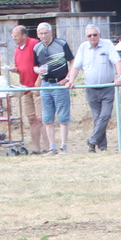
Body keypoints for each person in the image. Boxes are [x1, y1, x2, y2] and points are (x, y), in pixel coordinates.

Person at [67, 24, 121, 152]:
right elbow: (76, 66)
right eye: (89, 35)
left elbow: (117, 61)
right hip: (91, 89)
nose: (92, 37)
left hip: (107, 87)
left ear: (99, 35)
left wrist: (120, 77)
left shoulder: (107, 44)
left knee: (105, 115)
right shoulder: (83, 48)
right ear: (86, 37)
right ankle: (100, 146)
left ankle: (92, 140)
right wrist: (71, 80)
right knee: (97, 118)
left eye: (95, 35)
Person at [33, 21, 73, 154]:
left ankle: (63, 145)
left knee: (63, 116)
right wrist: (38, 70)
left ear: (51, 33)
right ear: (38, 35)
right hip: (45, 84)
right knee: (47, 118)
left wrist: (68, 78)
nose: (43, 36)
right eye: (41, 33)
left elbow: (72, 61)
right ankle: (52, 146)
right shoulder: (37, 48)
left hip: (59, 84)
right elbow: (34, 66)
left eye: (46, 33)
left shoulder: (61, 44)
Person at [9, 23, 42, 151]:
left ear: (24, 35)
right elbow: (22, 67)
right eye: (13, 36)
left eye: (16, 36)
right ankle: (36, 148)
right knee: (31, 118)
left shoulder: (34, 44)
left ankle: (49, 146)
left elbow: (41, 63)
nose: (14, 38)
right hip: (25, 88)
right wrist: (15, 70)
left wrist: (39, 81)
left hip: (37, 87)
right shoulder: (17, 50)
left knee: (41, 118)